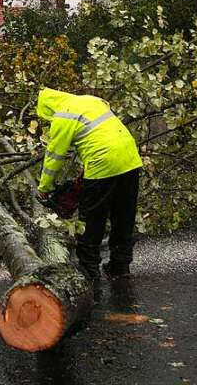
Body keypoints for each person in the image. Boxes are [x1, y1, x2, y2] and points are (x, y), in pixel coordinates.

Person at [34, 87, 143, 282]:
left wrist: (44, 188)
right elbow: (102, 134)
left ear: (47, 109)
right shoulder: (92, 101)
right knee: (123, 216)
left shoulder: (63, 116)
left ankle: (89, 272)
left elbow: (55, 157)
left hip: (103, 166)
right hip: (131, 160)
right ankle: (121, 266)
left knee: (91, 220)